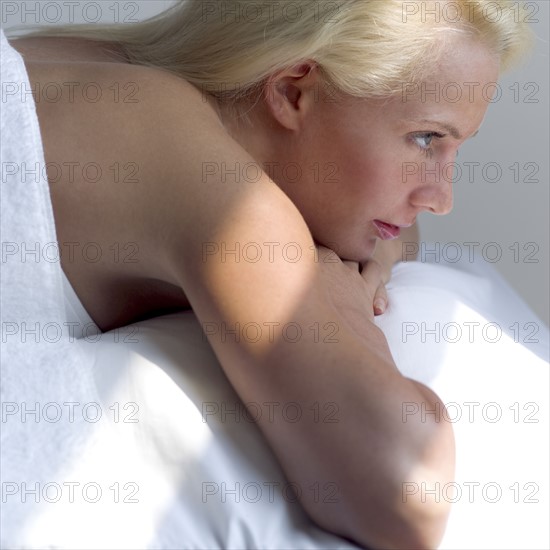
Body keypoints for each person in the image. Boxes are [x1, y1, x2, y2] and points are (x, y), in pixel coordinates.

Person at [1, 1, 532, 547]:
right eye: (426, 139)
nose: (442, 198)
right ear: (291, 92)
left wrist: (381, 248)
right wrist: (344, 303)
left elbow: (398, 232)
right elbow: (408, 493)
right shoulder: (220, 198)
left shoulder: (97, 63)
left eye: (454, 150)